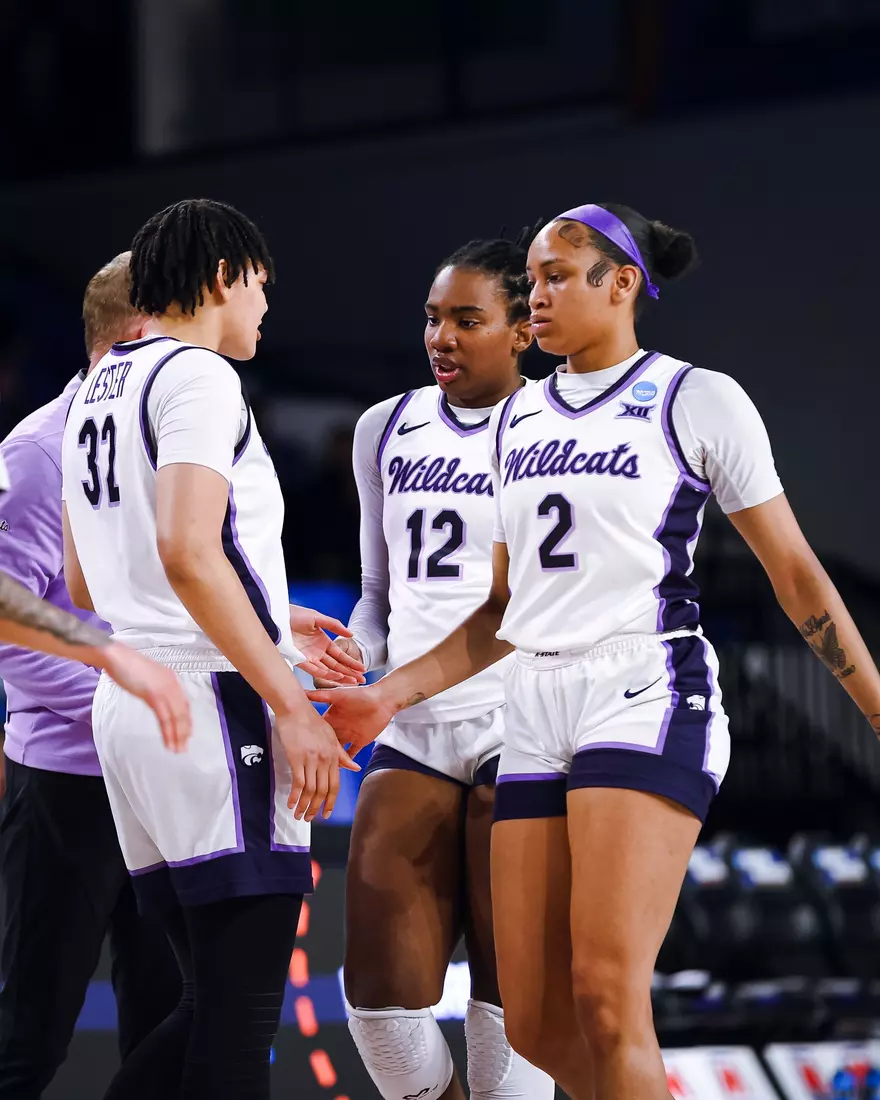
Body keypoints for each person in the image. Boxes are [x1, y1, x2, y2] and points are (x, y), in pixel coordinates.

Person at [310, 202, 880, 1099]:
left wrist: (876, 705)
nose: (536, 295)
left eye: (556, 277)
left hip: (641, 688)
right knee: (537, 1027)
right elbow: (501, 609)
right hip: (534, 698)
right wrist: (388, 694)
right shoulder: (518, 420)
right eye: (531, 278)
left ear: (622, 285)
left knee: (608, 1000)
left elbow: (797, 573)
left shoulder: (697, 397)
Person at [60, 198, 364, 1100]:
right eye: (262, 286)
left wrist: (271, 619)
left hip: (136, 710)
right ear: (225, 275)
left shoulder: (96, 384)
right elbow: (189, 551)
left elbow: (86, 584)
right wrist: (286, 702)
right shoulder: (198, 377)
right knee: (235, 1030)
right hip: (211, 708)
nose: (267, 309)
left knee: (206, 1008)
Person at [328, 235, 553, 1100]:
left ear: (520, 332)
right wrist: (360, 662)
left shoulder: (553, 430)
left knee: (513, 999)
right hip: (413, 726)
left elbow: (520, 606)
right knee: (379, 1010)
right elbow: (377, 591)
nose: (443, 338)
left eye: (468, 319)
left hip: (523, 718)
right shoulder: (383, 426)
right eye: (433, 319)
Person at [0, 252, 185, 1098]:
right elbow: (8, 631)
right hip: (69, 779)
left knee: (169, 1023)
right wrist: (131, 694)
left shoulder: (177, 446)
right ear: (142, 336)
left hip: (164, 776)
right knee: (28, 1034)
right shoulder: (39, 450)